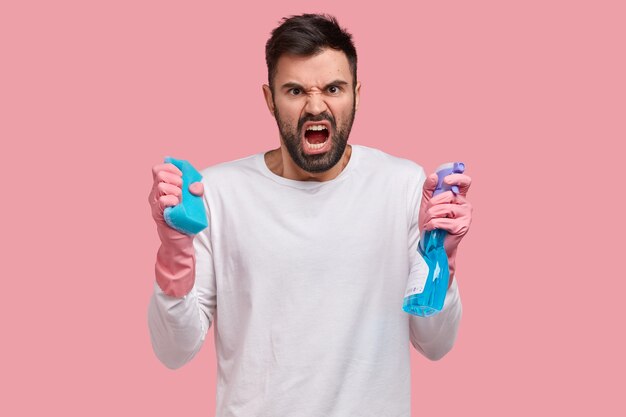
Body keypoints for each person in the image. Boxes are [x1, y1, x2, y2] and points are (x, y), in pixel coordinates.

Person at [147, 13, 472, 417]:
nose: (315, 106)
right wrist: (174, 254)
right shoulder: (219, 192)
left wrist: (440, 258)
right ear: (269, 99)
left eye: (334, 88)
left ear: (357, 93)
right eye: (295, 90)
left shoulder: (402, 186)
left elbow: (436, 344)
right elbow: (173, 352)